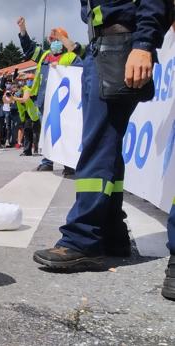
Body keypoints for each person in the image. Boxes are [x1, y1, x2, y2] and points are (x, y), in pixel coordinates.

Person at [33, 1, 171, 272]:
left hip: (120, 45)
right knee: (107, 142)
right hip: (102, 47)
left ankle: (82, 239)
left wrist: (143, 44)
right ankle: (111, 233)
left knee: (98, 144)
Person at [17, 17, 81, 173]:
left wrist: (59, 66)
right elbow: (29, 48)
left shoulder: (72, 57)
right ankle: (47, 161)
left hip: (66, 103)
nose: (53, 42)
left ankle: (68, 164)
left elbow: (79, 74)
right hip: (45, 100)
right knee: (47, 130)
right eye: (51, 39)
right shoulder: (44, 55)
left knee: (66, 131)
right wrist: (23, 30)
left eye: (56, 39)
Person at [14, 77, 40, 156]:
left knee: (36, 133)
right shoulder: (18, 92)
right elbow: (8, 100)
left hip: (35, 114)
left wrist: (14, 98)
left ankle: (36, 150)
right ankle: (27, 151)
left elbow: (24, 99)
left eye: (31, 80)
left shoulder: (28, 89)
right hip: (27, 114)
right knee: (27, 132)